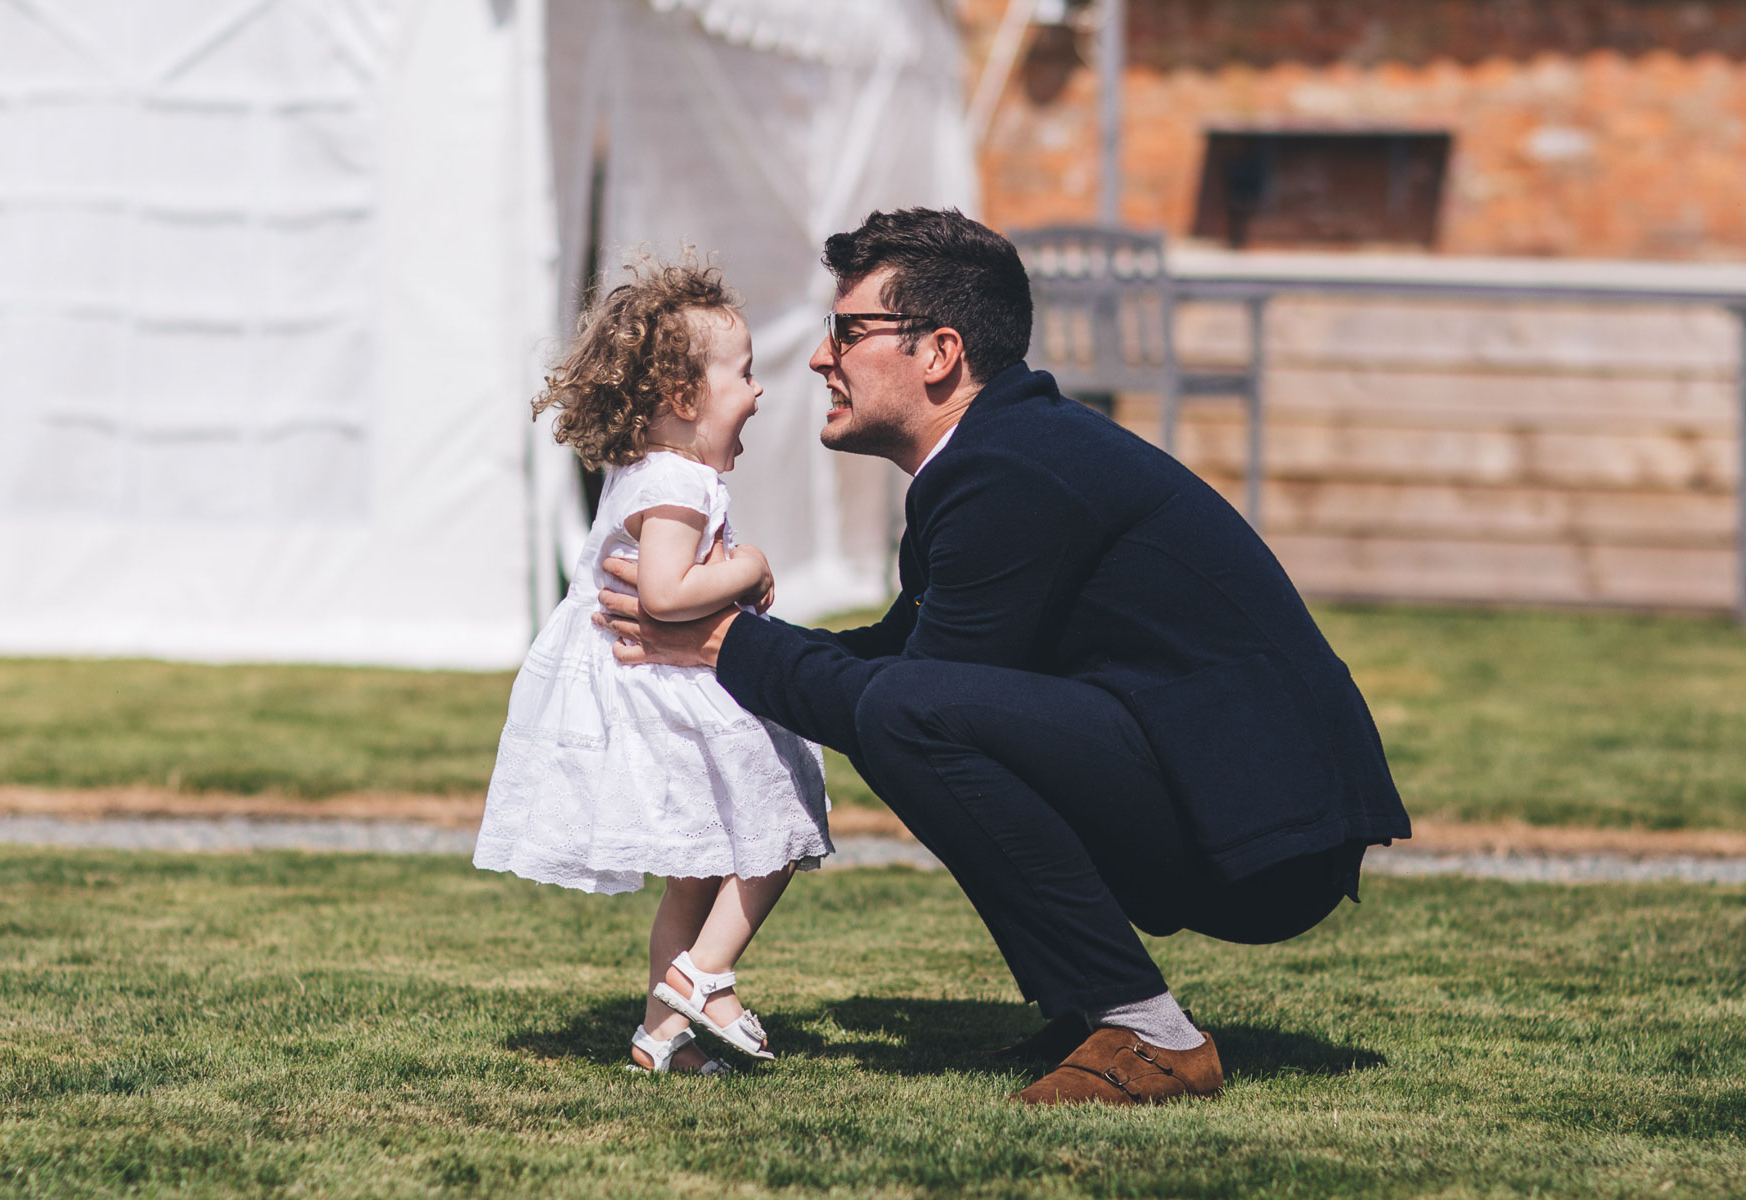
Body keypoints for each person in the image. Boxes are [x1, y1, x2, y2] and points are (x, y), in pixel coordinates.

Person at [594, 208, 1410, 1107]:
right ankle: (1089, 1010)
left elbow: (911, 693)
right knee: (904, 708)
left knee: (909, 716)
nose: (823, 357)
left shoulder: (1013, 469)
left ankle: (1150, 1034)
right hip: (1233, 806)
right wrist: (734, 649)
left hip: (1264, 837)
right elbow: (897, 655)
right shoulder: (1005, 452)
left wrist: (727, 642)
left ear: (939, 352)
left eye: (848, 331)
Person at [474, 256, 832, 1077]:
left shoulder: (648, 473)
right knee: (776, 826)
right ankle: (703, 978)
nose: (758, 391)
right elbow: (667, 594)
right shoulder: (679, 482)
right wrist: (750, 565)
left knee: (696, 871)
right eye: (743, 375)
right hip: (670, 692)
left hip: (654, 686)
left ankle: (659, 1037)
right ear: (684, 398)